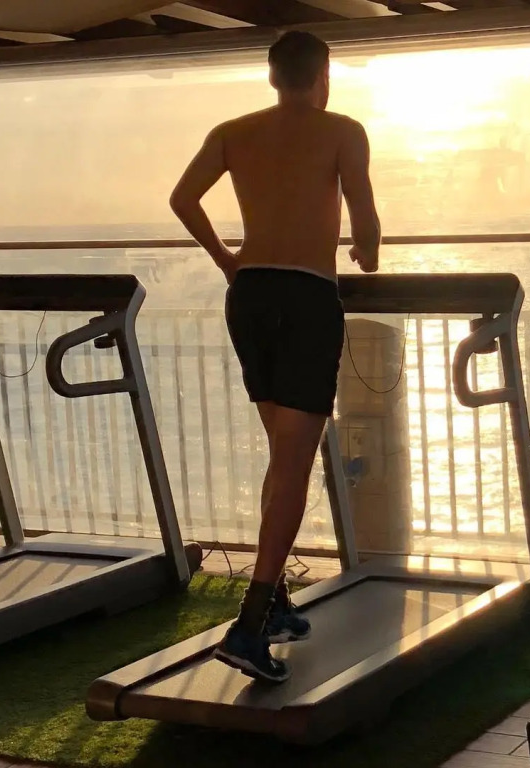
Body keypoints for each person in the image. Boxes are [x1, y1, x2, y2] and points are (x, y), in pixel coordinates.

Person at [169, 30, 381, 684]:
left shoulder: (233, 131)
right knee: (292, 460)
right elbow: (364, 217)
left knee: (282, 455)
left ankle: (278, 603)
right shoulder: (343, 130)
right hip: (306, 298)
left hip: (251, 296)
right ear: (323, 76)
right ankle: (251, 621)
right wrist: (368, 255)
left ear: (272, 76)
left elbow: (182, 199)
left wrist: (227, 260)